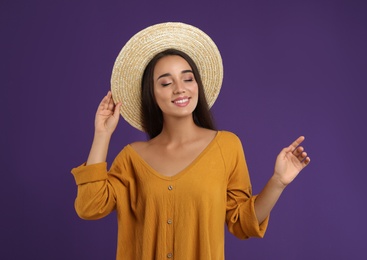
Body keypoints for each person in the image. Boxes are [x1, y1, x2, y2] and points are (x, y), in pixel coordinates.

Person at [71, 22, 310, 260]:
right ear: (151, 95)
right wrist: (102, 135)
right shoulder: (132, 157)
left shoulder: (227, 146)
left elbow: (242, 223)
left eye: (188, 79)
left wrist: (278, 181)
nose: (180, 89)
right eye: (166, 83)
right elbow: (90, 207)